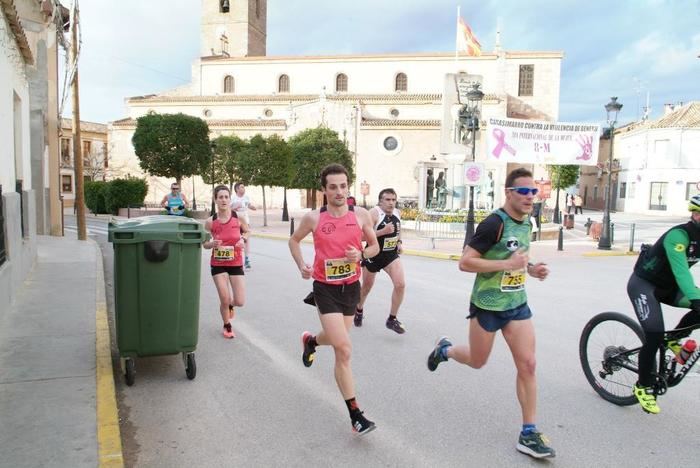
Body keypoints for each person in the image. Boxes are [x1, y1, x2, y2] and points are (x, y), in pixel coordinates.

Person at [426, 167, 555, 459]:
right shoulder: (493, 224)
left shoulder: (526, 223)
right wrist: (505, 266)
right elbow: (465, 262)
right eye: (523, 191)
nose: (530, 196)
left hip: (517, 304)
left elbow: (517, 256)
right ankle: (444, 350)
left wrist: (531, 269)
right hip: (487, 305)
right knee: (477, 360)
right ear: (509, 193)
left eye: (533, 191)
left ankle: (529, 432)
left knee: (529, 365)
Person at [288, 163, 380, 435]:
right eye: (333, 187)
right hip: (325, 288)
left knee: (336, 340)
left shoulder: (361, 215)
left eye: (343, 186)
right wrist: (302, 264)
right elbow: (294, 241)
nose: (339, 192)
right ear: (323, 190)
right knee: (344, 349)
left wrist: (362, 255)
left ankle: (311, 341)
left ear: (347, 186)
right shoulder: (314, 218)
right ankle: (355, 415)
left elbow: (374, 246)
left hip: (350, 287)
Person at [627, 194, 700, 414]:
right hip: (644, 286)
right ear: (696, 215)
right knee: (654, 336)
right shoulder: (679, 236)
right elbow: (681, 272)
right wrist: (695, 298)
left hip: (669, 288)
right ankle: (643, 386)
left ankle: (673, 339)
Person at [354, 188, 406, 334]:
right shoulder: (373, 214)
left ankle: (392, 319)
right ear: (380, 201)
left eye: (393, 200)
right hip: (373, 255)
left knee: (400, 285)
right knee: (367, 287)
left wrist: (399, 242)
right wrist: (382, 232)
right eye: (387, 200)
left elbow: (398, 229)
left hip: (390, 255)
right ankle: (359, 310)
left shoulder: (397, 213)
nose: (391, 203)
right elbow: (362, 237)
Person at [203, 185, 249, 339]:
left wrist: (243, 239)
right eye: (220, 197)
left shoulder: (238, 217)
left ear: (230, 199)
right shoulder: (210, 222)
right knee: (224, 297)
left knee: (239, 301)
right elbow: (204, 244)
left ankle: (230, 306)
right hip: (218, 263)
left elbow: (247, 231)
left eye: (226, 197)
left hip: (236, 263)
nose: (223, 200)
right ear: (215, 200)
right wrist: (212, 244)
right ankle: (227, 325)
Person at [231, 183, 256, 269]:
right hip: (235, 221)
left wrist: (253, 207)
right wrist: (234, 208)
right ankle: (235, 258)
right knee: (235, 239)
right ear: (237, 189)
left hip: (245, 221)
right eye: (242, 187)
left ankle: (247, 259)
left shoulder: (246, 197)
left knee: (246, 239)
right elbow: (227, 209)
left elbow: (249, 205)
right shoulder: (232, 198)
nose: (243, 188)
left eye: (243, 187)